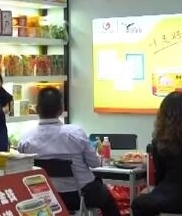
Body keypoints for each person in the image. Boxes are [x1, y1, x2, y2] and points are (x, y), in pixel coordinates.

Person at [18, 87, 121, 216]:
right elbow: (95, 163)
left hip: (45, 198)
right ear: (61, 109)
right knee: (108, 200)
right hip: (81, 195)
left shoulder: (25, 139)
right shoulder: (75, 133)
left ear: (37, 109)